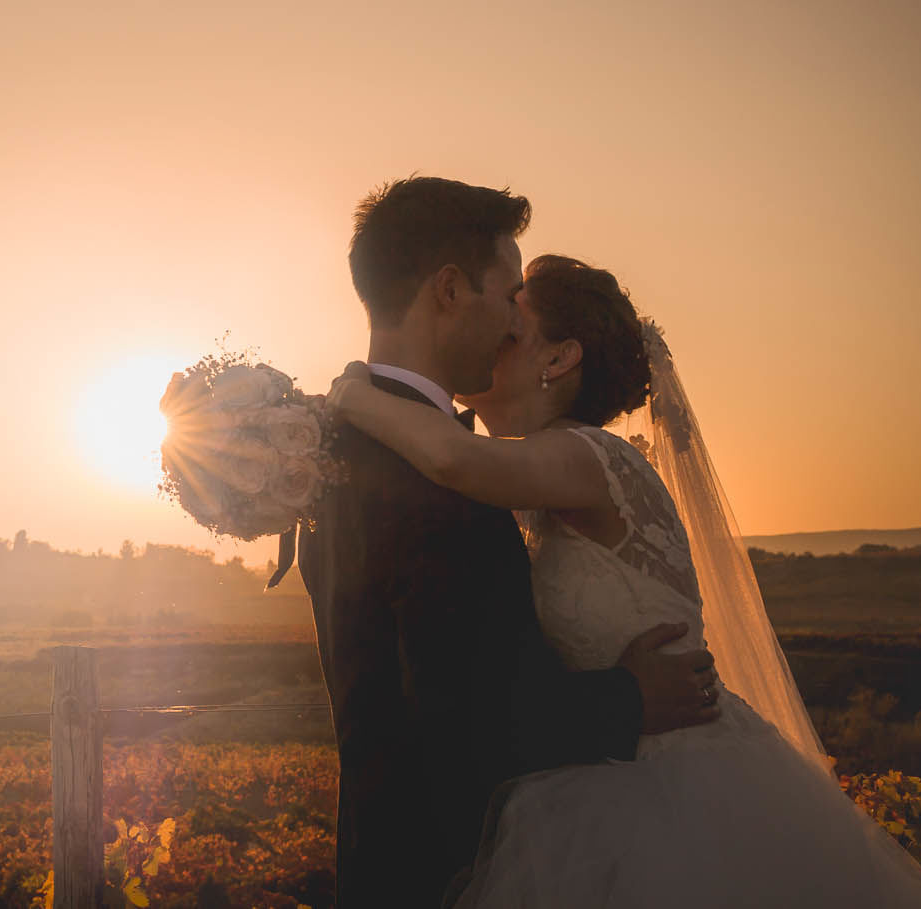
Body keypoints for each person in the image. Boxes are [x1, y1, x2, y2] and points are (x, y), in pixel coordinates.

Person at [322, 252, 921, 906]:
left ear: (559, 358)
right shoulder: (538, 472)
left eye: (516, 326)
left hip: (673, 784)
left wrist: (349, 397)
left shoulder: (586, 456)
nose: (496, 334)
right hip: (612, 759)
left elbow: (452, 456)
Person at [267, 176, 721, 908]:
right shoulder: (447, 484)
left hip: (384, 866)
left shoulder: (330, 460)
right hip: (459, 870)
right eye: (508, 294)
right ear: (449, 289)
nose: (514, 319)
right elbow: (476, 720)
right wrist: (631, 697)